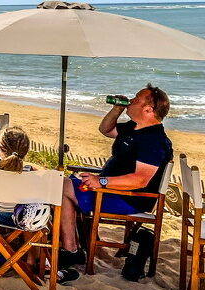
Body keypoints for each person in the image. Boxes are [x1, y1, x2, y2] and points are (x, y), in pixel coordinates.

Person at [58, 84, 174, 272]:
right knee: (63, 186)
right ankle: (74, 246)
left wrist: (101, 181)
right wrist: (117, 109)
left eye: (136, 99)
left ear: (148, 109)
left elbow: (140, 180)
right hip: (110, 190)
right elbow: (106, 129)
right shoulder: (134, 128)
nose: (131, 100)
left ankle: (71, 249)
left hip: (128, 199)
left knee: (62, 187)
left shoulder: (154, 141)